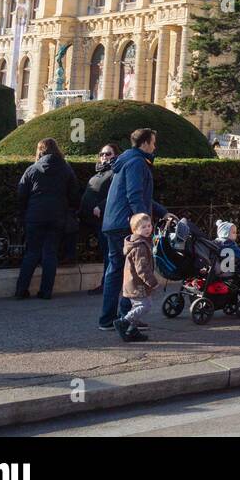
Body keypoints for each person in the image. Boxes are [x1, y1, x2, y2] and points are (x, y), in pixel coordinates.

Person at [99, 128, 169, 331]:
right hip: (126, 224)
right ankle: (125, 317)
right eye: (153, 143)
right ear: (145, 143)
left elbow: (139, 195)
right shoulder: (137, 162)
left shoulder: (127, 160)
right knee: (133, 272)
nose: (155, 147)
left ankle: (110, 318)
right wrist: (143, 222)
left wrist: (162, 212)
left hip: (114, 223)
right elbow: (135, 195)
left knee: (115, 270)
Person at [14, 138, 81, 300]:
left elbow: (21, 193)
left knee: (32, 252)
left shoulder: (32, 169)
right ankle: (46, 292)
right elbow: (74, 193)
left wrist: (24, 211)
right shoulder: (66, 169)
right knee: (50, 253)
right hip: (57, 216)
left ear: (40, 151)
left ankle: (21, 290)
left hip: (35, 215)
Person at [80, 144, 119, 295]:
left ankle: (107, 285)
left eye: (108, 154)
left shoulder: (114, 172)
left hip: (106, 219)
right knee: (106, 253)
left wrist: (100, 207)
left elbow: (115, 193)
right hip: (94, 221)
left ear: (115, 156)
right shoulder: (100, 172)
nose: (104, 156)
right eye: (101, 154)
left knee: (109, 254)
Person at [116, 213, 157, 342]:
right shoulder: (139, 246)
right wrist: (152, 282)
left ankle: (131, 330)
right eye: (143, 227)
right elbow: (142, 268)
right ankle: (124, 321)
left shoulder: (140, 242)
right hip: (137, 283)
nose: (148, 229)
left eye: (149, 225)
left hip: (134, 282)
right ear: (135, 230)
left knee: (138, 306)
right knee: (145, 305)